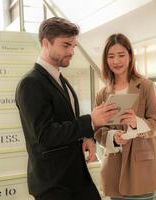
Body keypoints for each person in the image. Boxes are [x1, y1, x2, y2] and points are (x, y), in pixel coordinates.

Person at [15, 17, 118, 200]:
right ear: (46, 43)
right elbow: (45, 135)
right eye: (66, 45)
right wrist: (91, 121)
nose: (71, 51)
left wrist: (85, 136)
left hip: (74, 177)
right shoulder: (30, 83)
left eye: (74, 46)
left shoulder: (59, 78)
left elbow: (65, 121)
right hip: (53, 184)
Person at [94, 33, 156, 200]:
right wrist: (113, 138)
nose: (116, 61)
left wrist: (136, 122)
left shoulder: (146, 86)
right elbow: (98, 131)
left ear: (130, 56)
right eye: (111, 56)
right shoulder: (102, 93)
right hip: (114, 167)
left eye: (121, 55)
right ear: (106, 60)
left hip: (141, 167)